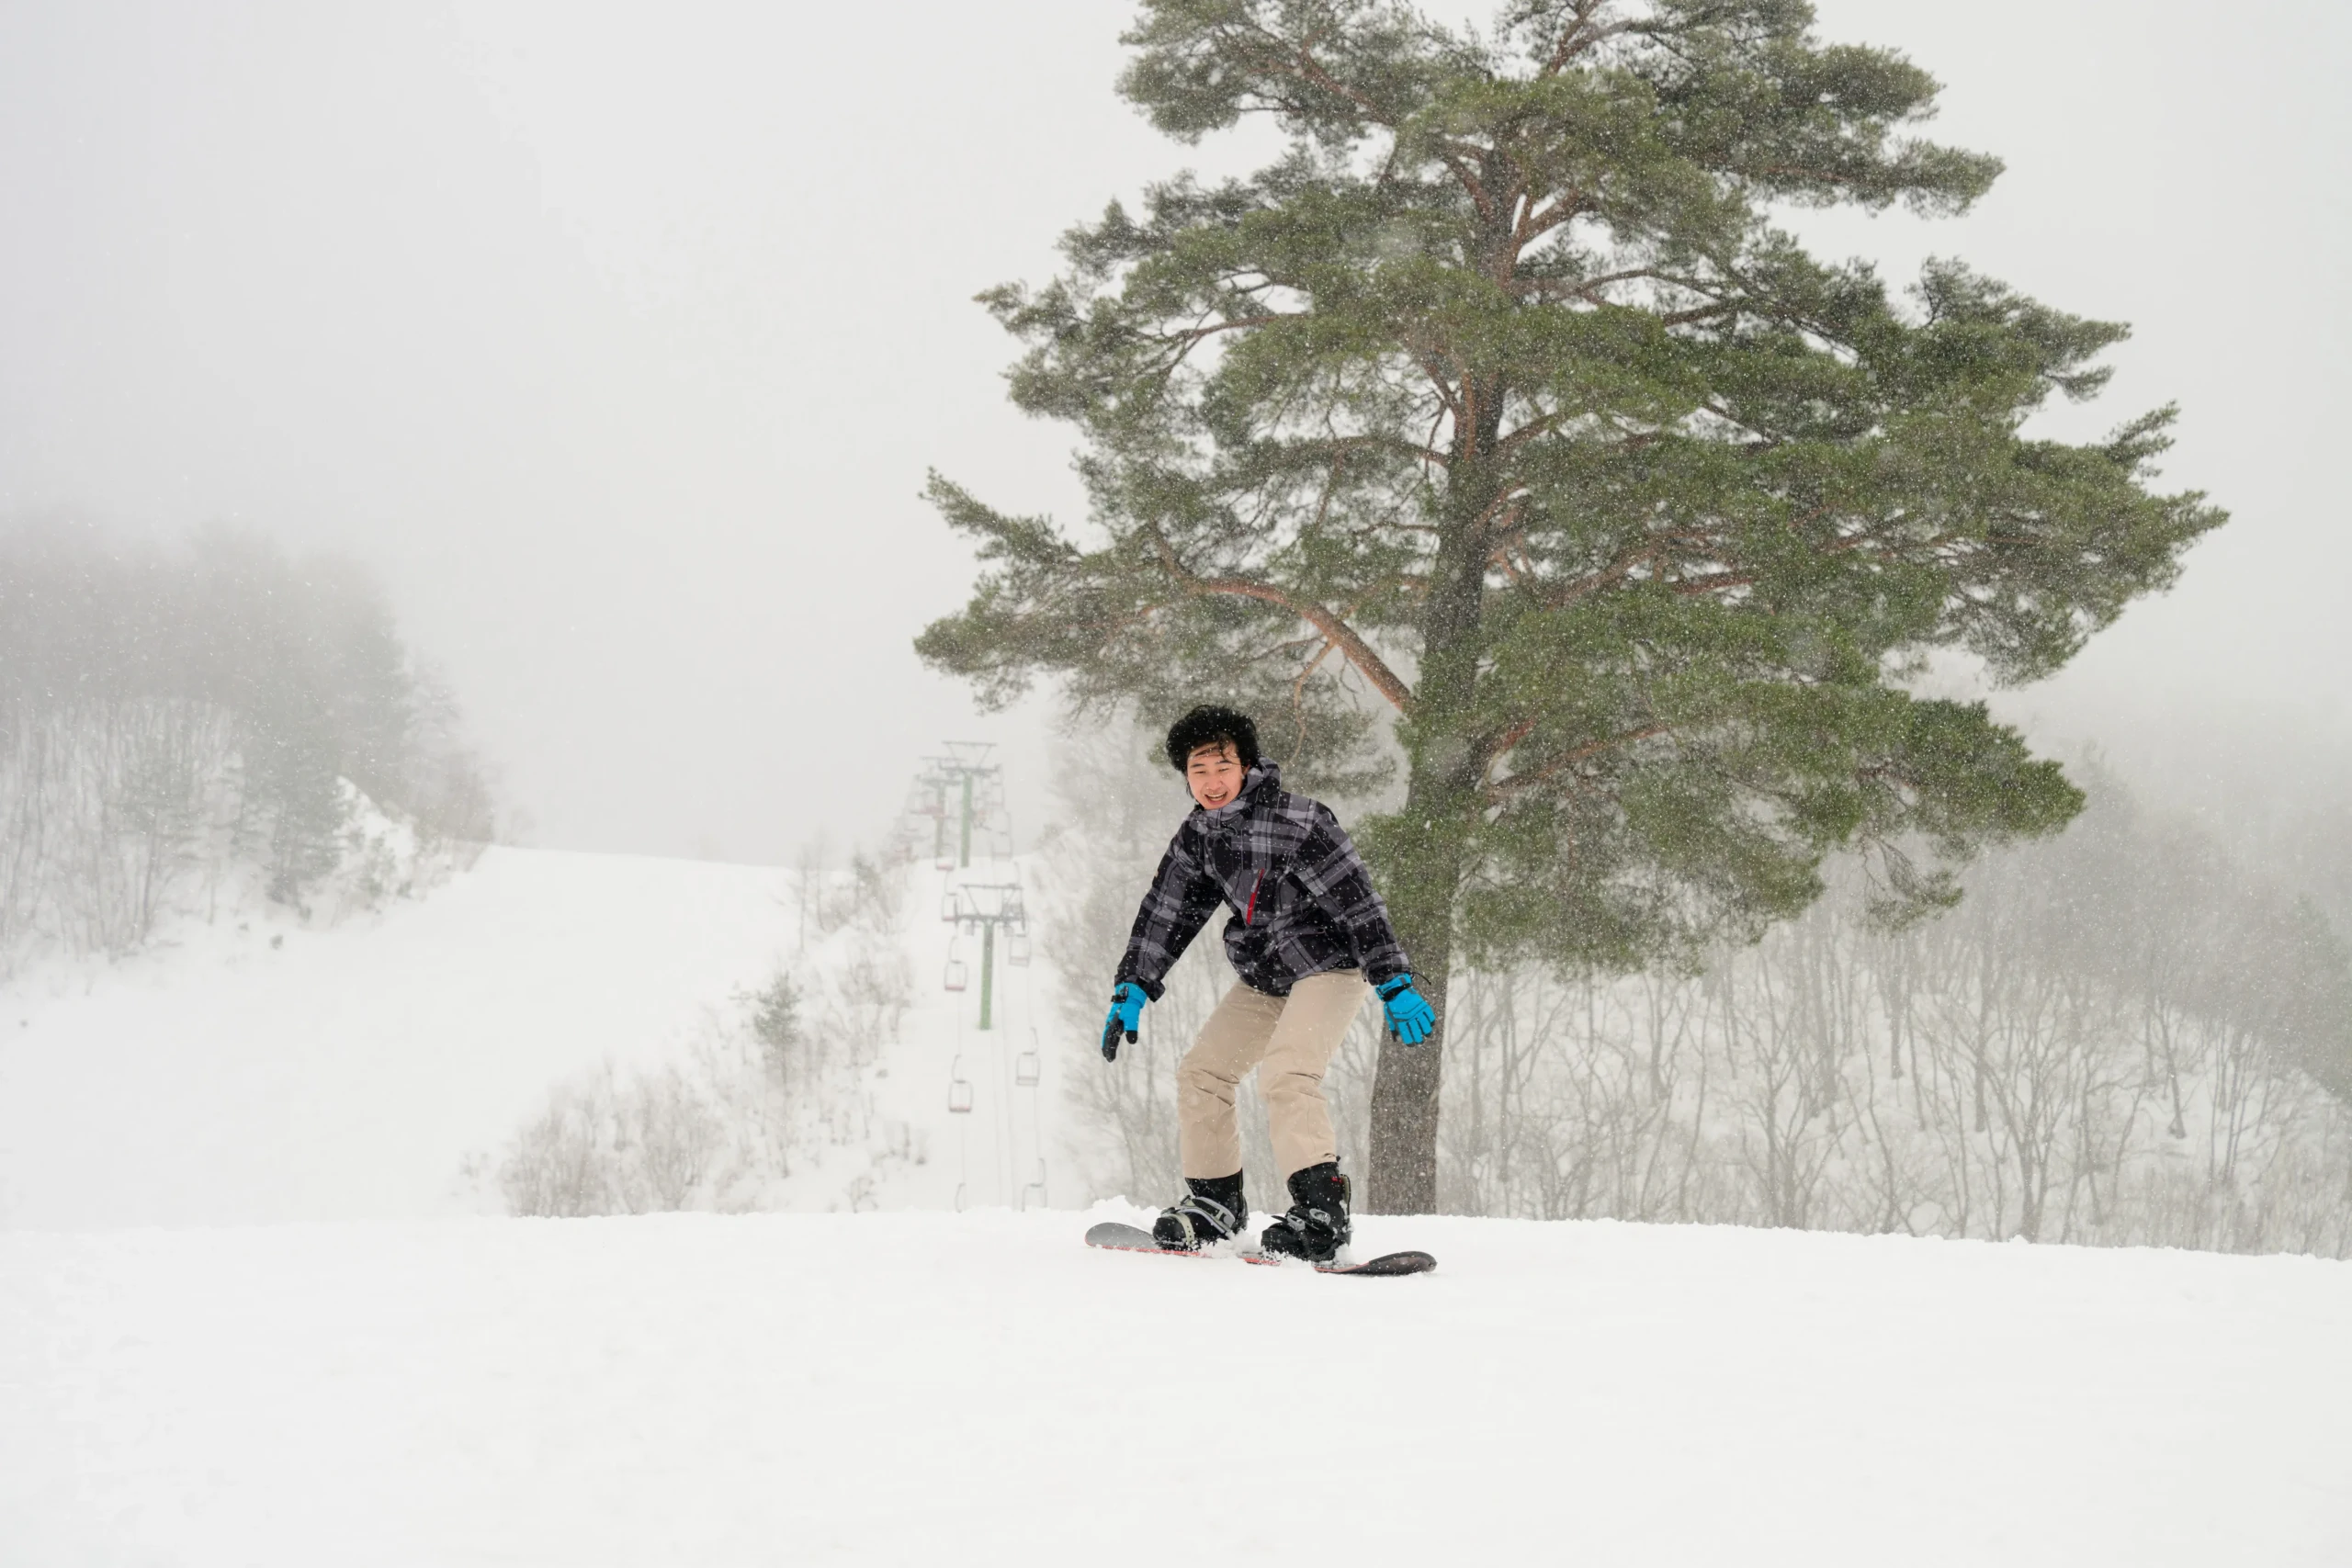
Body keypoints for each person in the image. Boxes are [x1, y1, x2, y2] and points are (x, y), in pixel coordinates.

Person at [1100, 705, 1437, 1261]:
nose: (1212, 782)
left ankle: (1321, 1215)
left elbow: (1359, 904)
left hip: (1329, 966)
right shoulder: (1198, 837)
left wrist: (1392, 982)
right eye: (1199, 770)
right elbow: (1167, 911)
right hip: (1266, 976)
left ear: (1247, 766)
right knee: (1203, 1073)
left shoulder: (1300, 822)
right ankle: (1215, 1206)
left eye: (1222, 767)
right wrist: (1133, 985)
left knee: (1287, 1074)